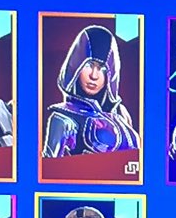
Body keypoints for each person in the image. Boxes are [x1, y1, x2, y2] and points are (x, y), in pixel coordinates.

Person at [43, 25, 139, 157]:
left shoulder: (121, 113)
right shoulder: (62, 117)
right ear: (76, 66)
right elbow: (48, 167)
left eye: (102, 68)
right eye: (89, 65)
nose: (94, 75)